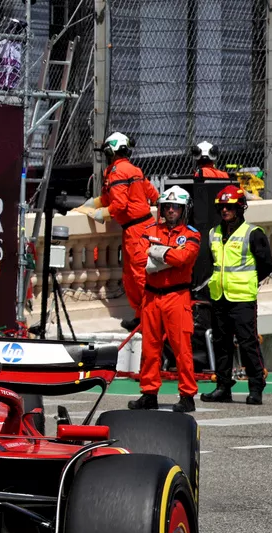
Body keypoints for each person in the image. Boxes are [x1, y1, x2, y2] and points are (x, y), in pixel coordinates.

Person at [74, 132, 159, 331]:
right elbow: (153, 195)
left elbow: (118, 205)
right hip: (139, 229)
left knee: (138, 276)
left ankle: (147, 319)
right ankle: (142, 316)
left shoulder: (118, 172)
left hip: (137, 231)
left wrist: (100, 213)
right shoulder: (133, 170)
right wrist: (94, 203)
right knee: (132, 276)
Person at [128, 187, 201, 413]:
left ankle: (187, 395)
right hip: (151, 295)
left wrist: (157, 252)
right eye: (167, 207)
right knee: (149, 349)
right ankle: (149, 394)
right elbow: (139, 259)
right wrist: (169, 253)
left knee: (182, 349)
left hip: (177, 296)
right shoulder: (149, 229)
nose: (170, 210)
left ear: (183, 209)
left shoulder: (191, 234)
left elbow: (184, 257)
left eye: (175, 207)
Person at [201, 185, 272, 405]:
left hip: (242, 298)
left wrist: (249, 282)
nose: (225, 210)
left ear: (240, 207)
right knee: (221, 343)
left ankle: (255, 387)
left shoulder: (253, 233)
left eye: (230, 206)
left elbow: (266, 265)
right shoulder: (213, 233)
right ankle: (223, 387)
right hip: (219, 297)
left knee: (247, 343)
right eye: (222, 207)